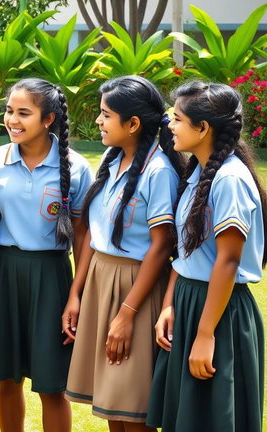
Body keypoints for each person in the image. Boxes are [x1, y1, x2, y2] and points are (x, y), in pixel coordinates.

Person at [63, 75, 183, 431]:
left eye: (105, 115)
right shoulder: (112, 158)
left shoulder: (159, 171)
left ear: (132, 124)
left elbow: (161, 247)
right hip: (102, 280)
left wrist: (127, 314)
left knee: (134, 407)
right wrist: (76, 293)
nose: (98, 121)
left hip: (136, 287)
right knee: (112, 404)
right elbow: (94, 236)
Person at [147, 81, 265, 432]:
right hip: (190, 300)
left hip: (219, 313)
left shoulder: (229, 179)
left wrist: (205, 334)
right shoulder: (199, 171)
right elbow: (185, 254)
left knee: (213, 418)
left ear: (203, 128)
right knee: (184, 418)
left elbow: (227, 261)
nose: (169, 125)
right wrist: (170, 304)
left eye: (177, 119)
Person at [0, 78, 92, 432]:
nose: (12, 120)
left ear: (48, 119)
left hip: (52, 278)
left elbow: (83, 236)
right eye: (9, 111)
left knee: (52, 385)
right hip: (4, 274)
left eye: (23, 113)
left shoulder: (75, 167)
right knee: (6, 377)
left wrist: (76, 295)